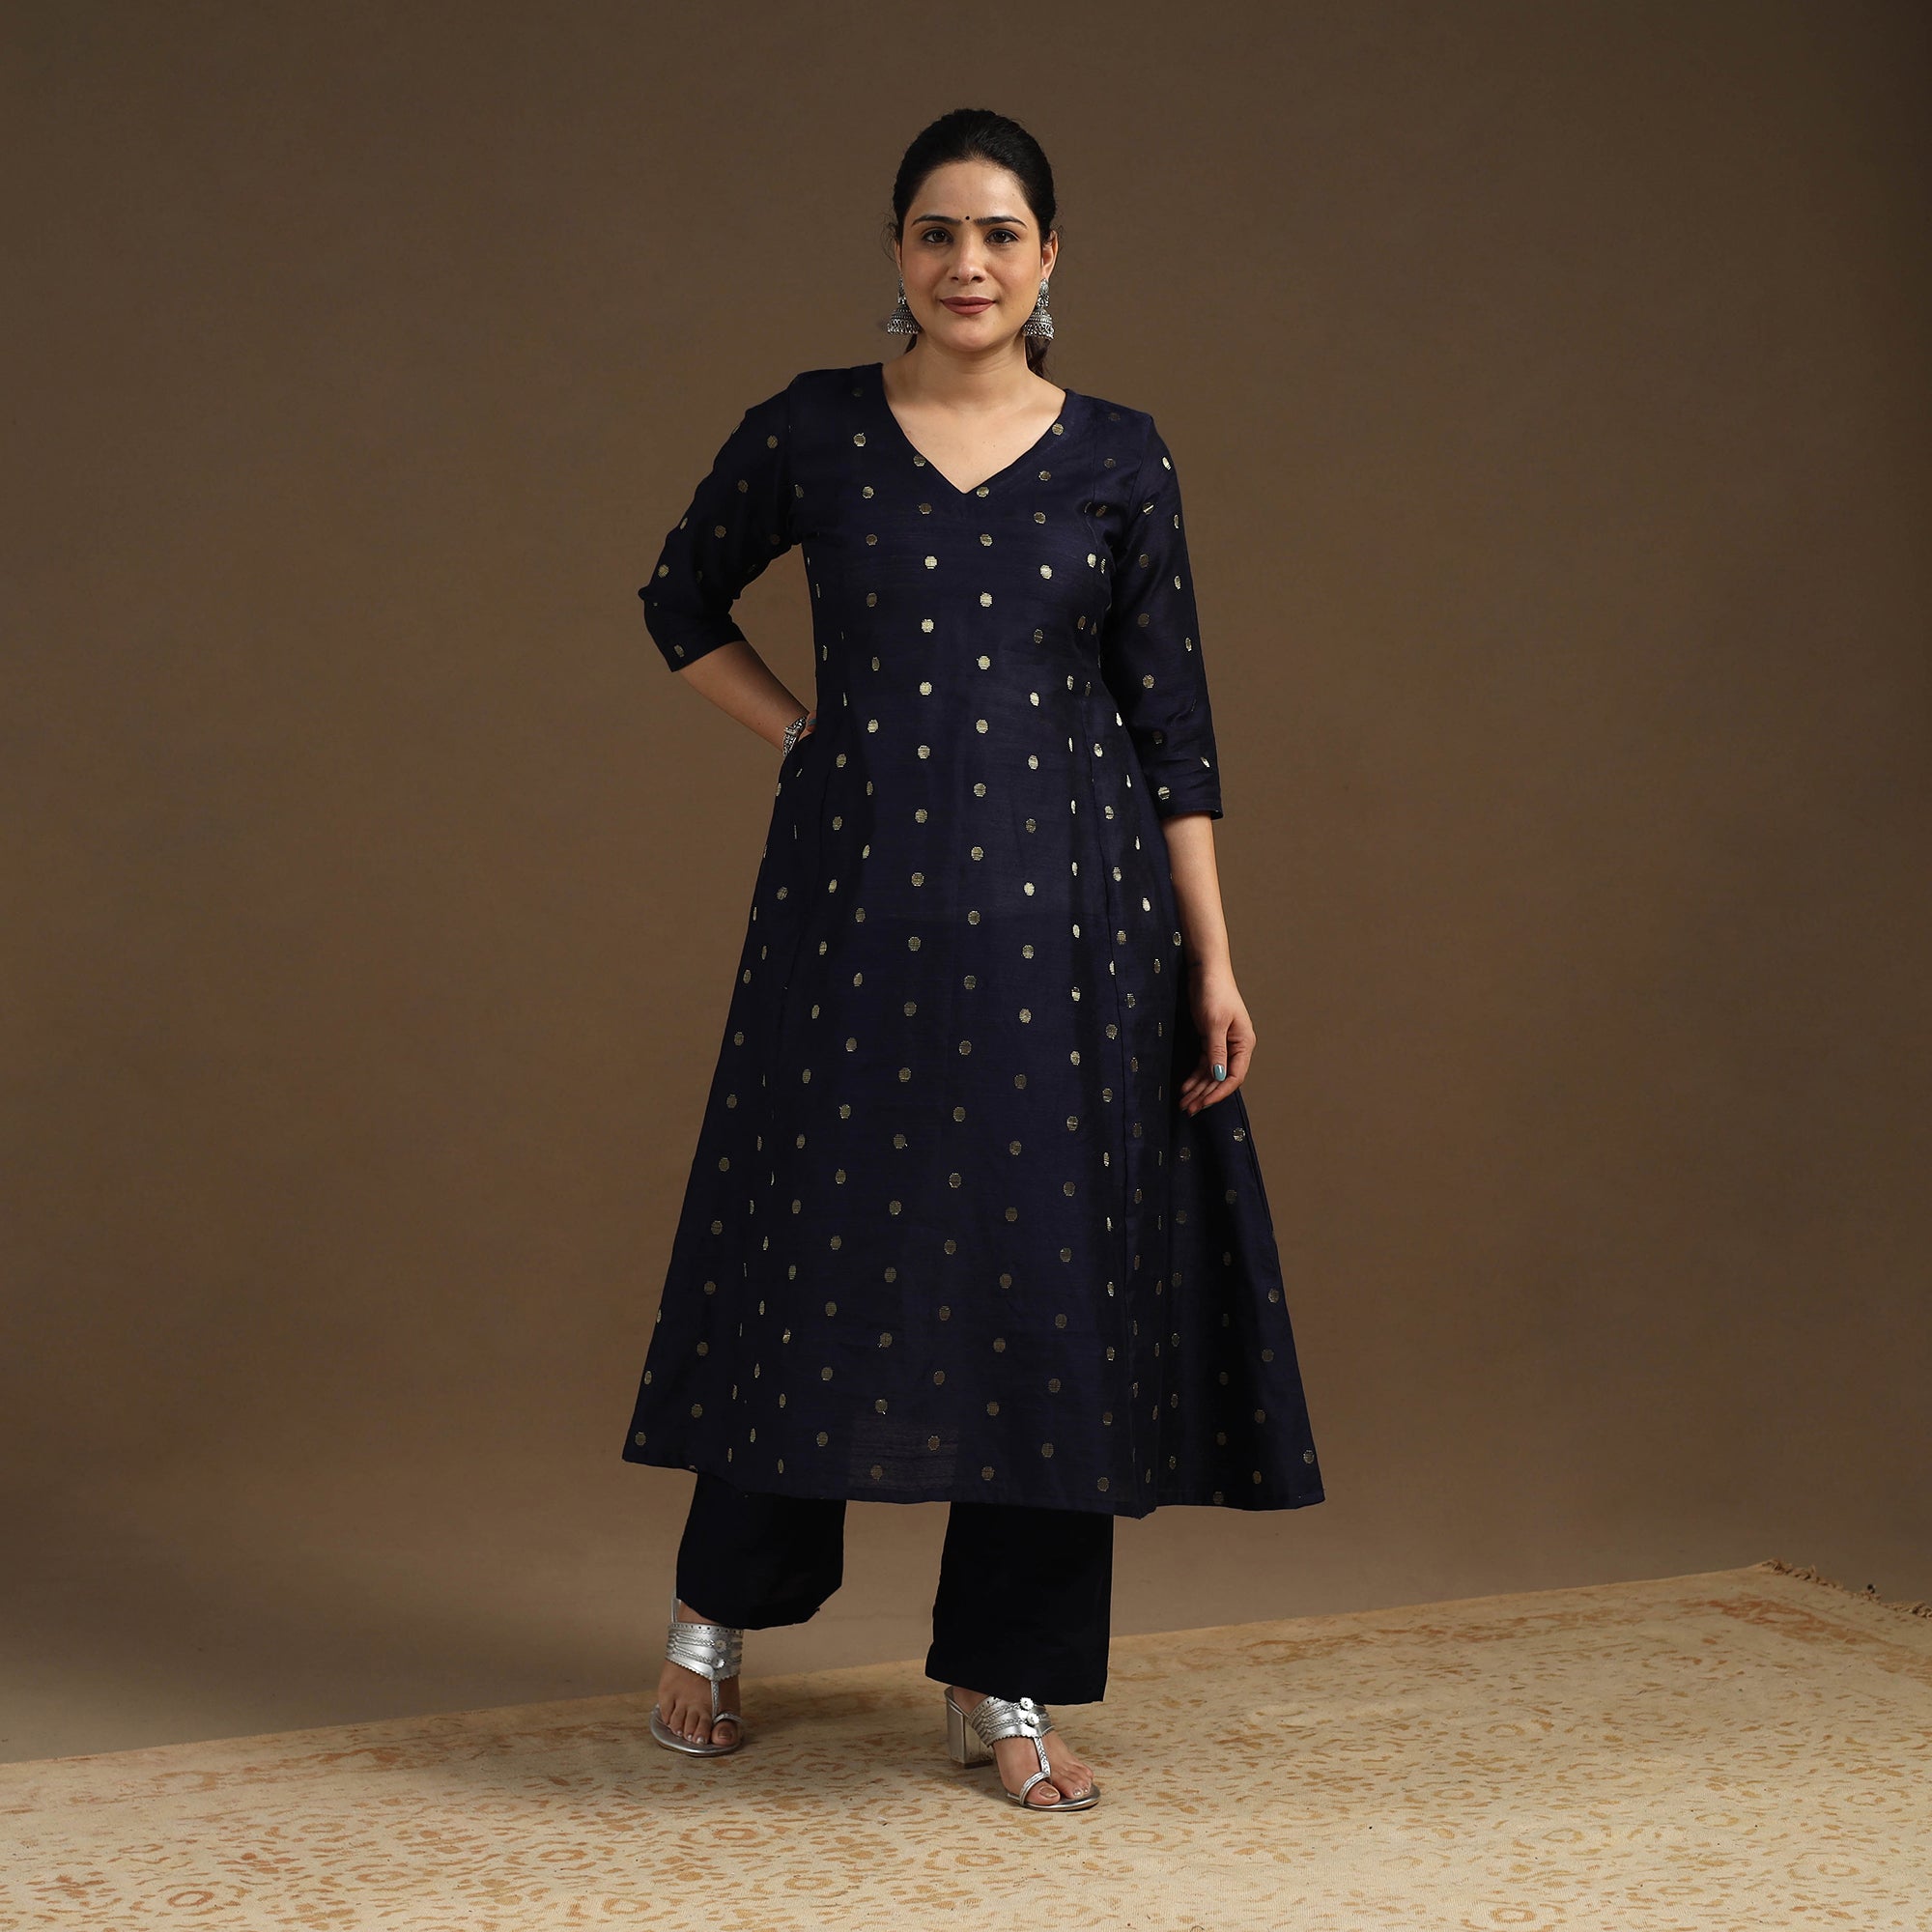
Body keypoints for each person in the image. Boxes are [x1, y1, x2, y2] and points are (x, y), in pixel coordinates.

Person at [619, 108, 1325, 1812]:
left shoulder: (1120, 456)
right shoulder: (812, 432)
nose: (967, 264)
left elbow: (1174, 726)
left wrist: (1215, 959)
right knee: (811, 1262)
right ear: (897, 253)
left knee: (1046, 1293)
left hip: (1076, 937)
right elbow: (678, 597)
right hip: (851, 917)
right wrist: (810, 737)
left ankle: (1004, 1681)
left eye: (1001, 234)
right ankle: (713, 1625)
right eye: (937, 232)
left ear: (1049, 259)